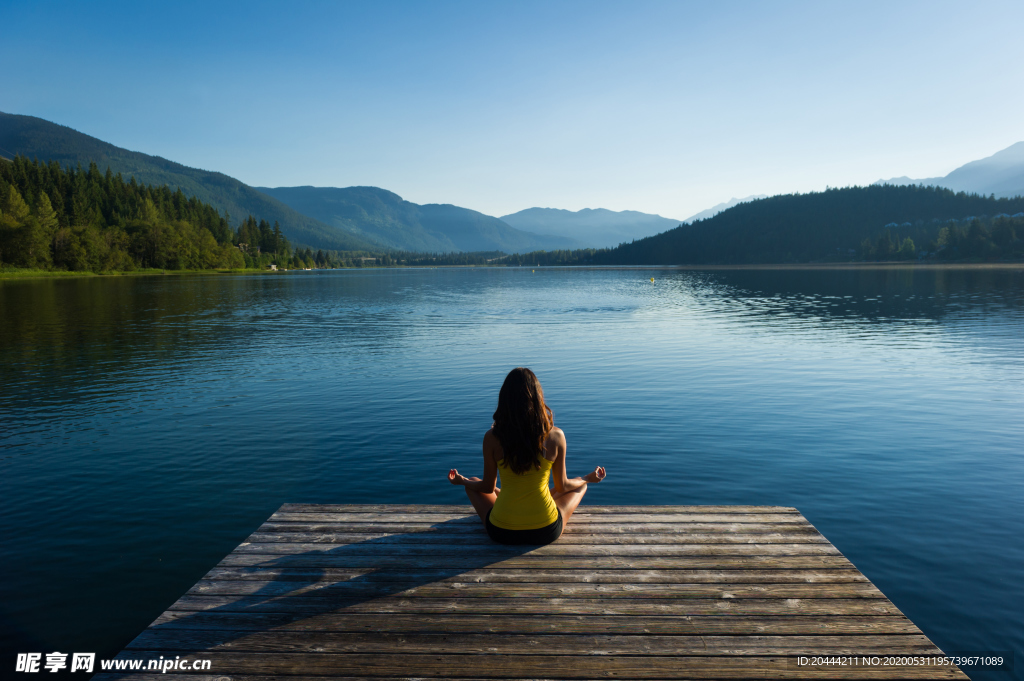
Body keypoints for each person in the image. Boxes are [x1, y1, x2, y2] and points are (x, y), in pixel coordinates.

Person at [448, 367, 606, 545]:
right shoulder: (556, 436)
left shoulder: (491, 438)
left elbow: (487, 487)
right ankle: (576, 485)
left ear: (504, 399)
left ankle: (509, 501)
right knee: (580, 485)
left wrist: (462, 481)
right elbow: (562, 487)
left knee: (472, 483)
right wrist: (588, 478)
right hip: (546, 530)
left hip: (501, 532)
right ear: (538, 398)